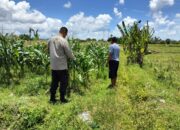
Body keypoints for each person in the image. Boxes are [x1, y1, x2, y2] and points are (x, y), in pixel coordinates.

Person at [48, 27, 75, 104]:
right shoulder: (63, 41)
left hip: (53, 65)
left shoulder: (50, 40)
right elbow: (69, 53)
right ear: (65, 32)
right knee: (64, 83)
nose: (66, 35)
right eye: (66, 34)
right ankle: (62, 99)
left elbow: (48, 50)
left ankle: (52, 98)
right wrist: (74, 58)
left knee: (54, 82)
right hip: (62, 66)